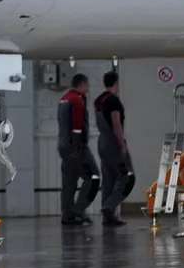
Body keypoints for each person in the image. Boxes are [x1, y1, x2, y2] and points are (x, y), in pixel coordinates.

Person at [57, 74, 99, 225]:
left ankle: (67, 215)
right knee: (93, 176)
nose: (88, 88)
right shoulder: (77, 100)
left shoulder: (63, 99)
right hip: (76, 147)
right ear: (81, 85)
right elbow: (76, 127)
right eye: (87, 85)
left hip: (63, 146)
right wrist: (76, 146)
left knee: (69, 182)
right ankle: (79, 209)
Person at [94, 71, 135, 227]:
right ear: (116, 83)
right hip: (113, 143)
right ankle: (109, 207)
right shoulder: (113, 101)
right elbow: (116, 124)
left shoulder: (99, 100)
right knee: (127, 177)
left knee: (108, 179)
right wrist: (122, 145)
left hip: (102, 142)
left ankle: (108, 217)